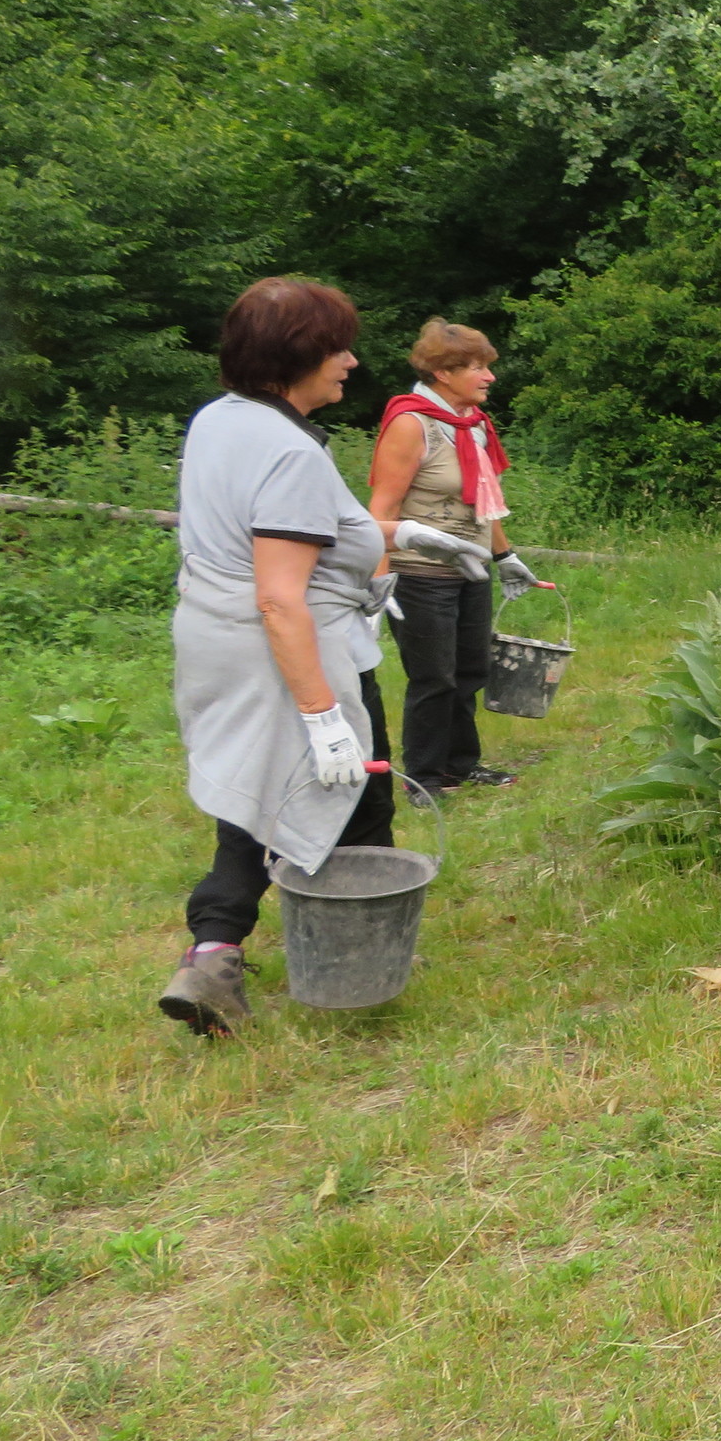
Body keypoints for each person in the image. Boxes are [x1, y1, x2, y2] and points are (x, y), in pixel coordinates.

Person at [158, 278, 481, 1035]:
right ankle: (354, 958)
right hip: (287, 650)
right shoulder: (288, 450)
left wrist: (404, 535)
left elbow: (282, 531)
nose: (351, 362)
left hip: (216, 637)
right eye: (337, 348)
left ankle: (214, 952)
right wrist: (322, 716)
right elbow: (280, 594)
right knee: (350, 796)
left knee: (261, 791)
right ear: (294, 356)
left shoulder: (222, 419)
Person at [367, 319, 537, 796]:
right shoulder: (411, 423)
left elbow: (485, 499)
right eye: (477, 367)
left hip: (471, 567)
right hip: (420, 573)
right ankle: (423, 777)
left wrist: (505, 555)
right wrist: (378, 579)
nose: (489, 377)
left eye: (487, 366)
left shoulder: (472, 424)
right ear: (443, 373)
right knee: (434, 677)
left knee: (470, 671)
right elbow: (381, 509)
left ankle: (460, 765)